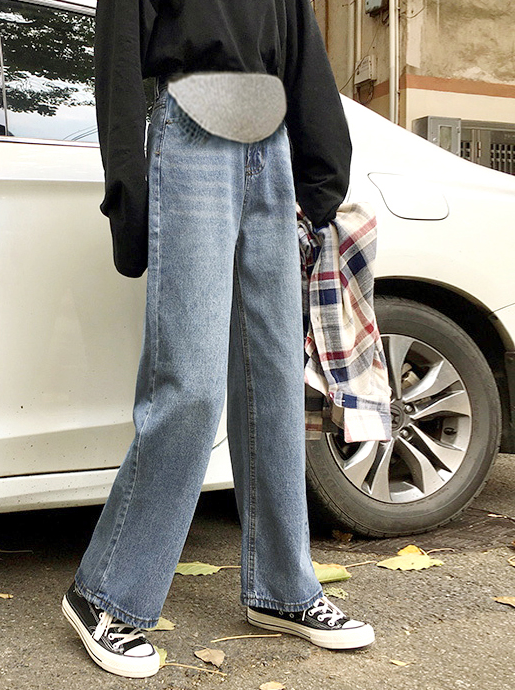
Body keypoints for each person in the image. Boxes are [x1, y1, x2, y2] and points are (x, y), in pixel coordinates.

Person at [62, 0, 375, 678]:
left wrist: (321, 179)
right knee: (192, 386)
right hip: (192, 131)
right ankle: (106, 593)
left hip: (273, 145)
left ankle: (284, 590)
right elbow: (118, 60)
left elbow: (302, 52)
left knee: (274, 384)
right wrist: (129, 196)